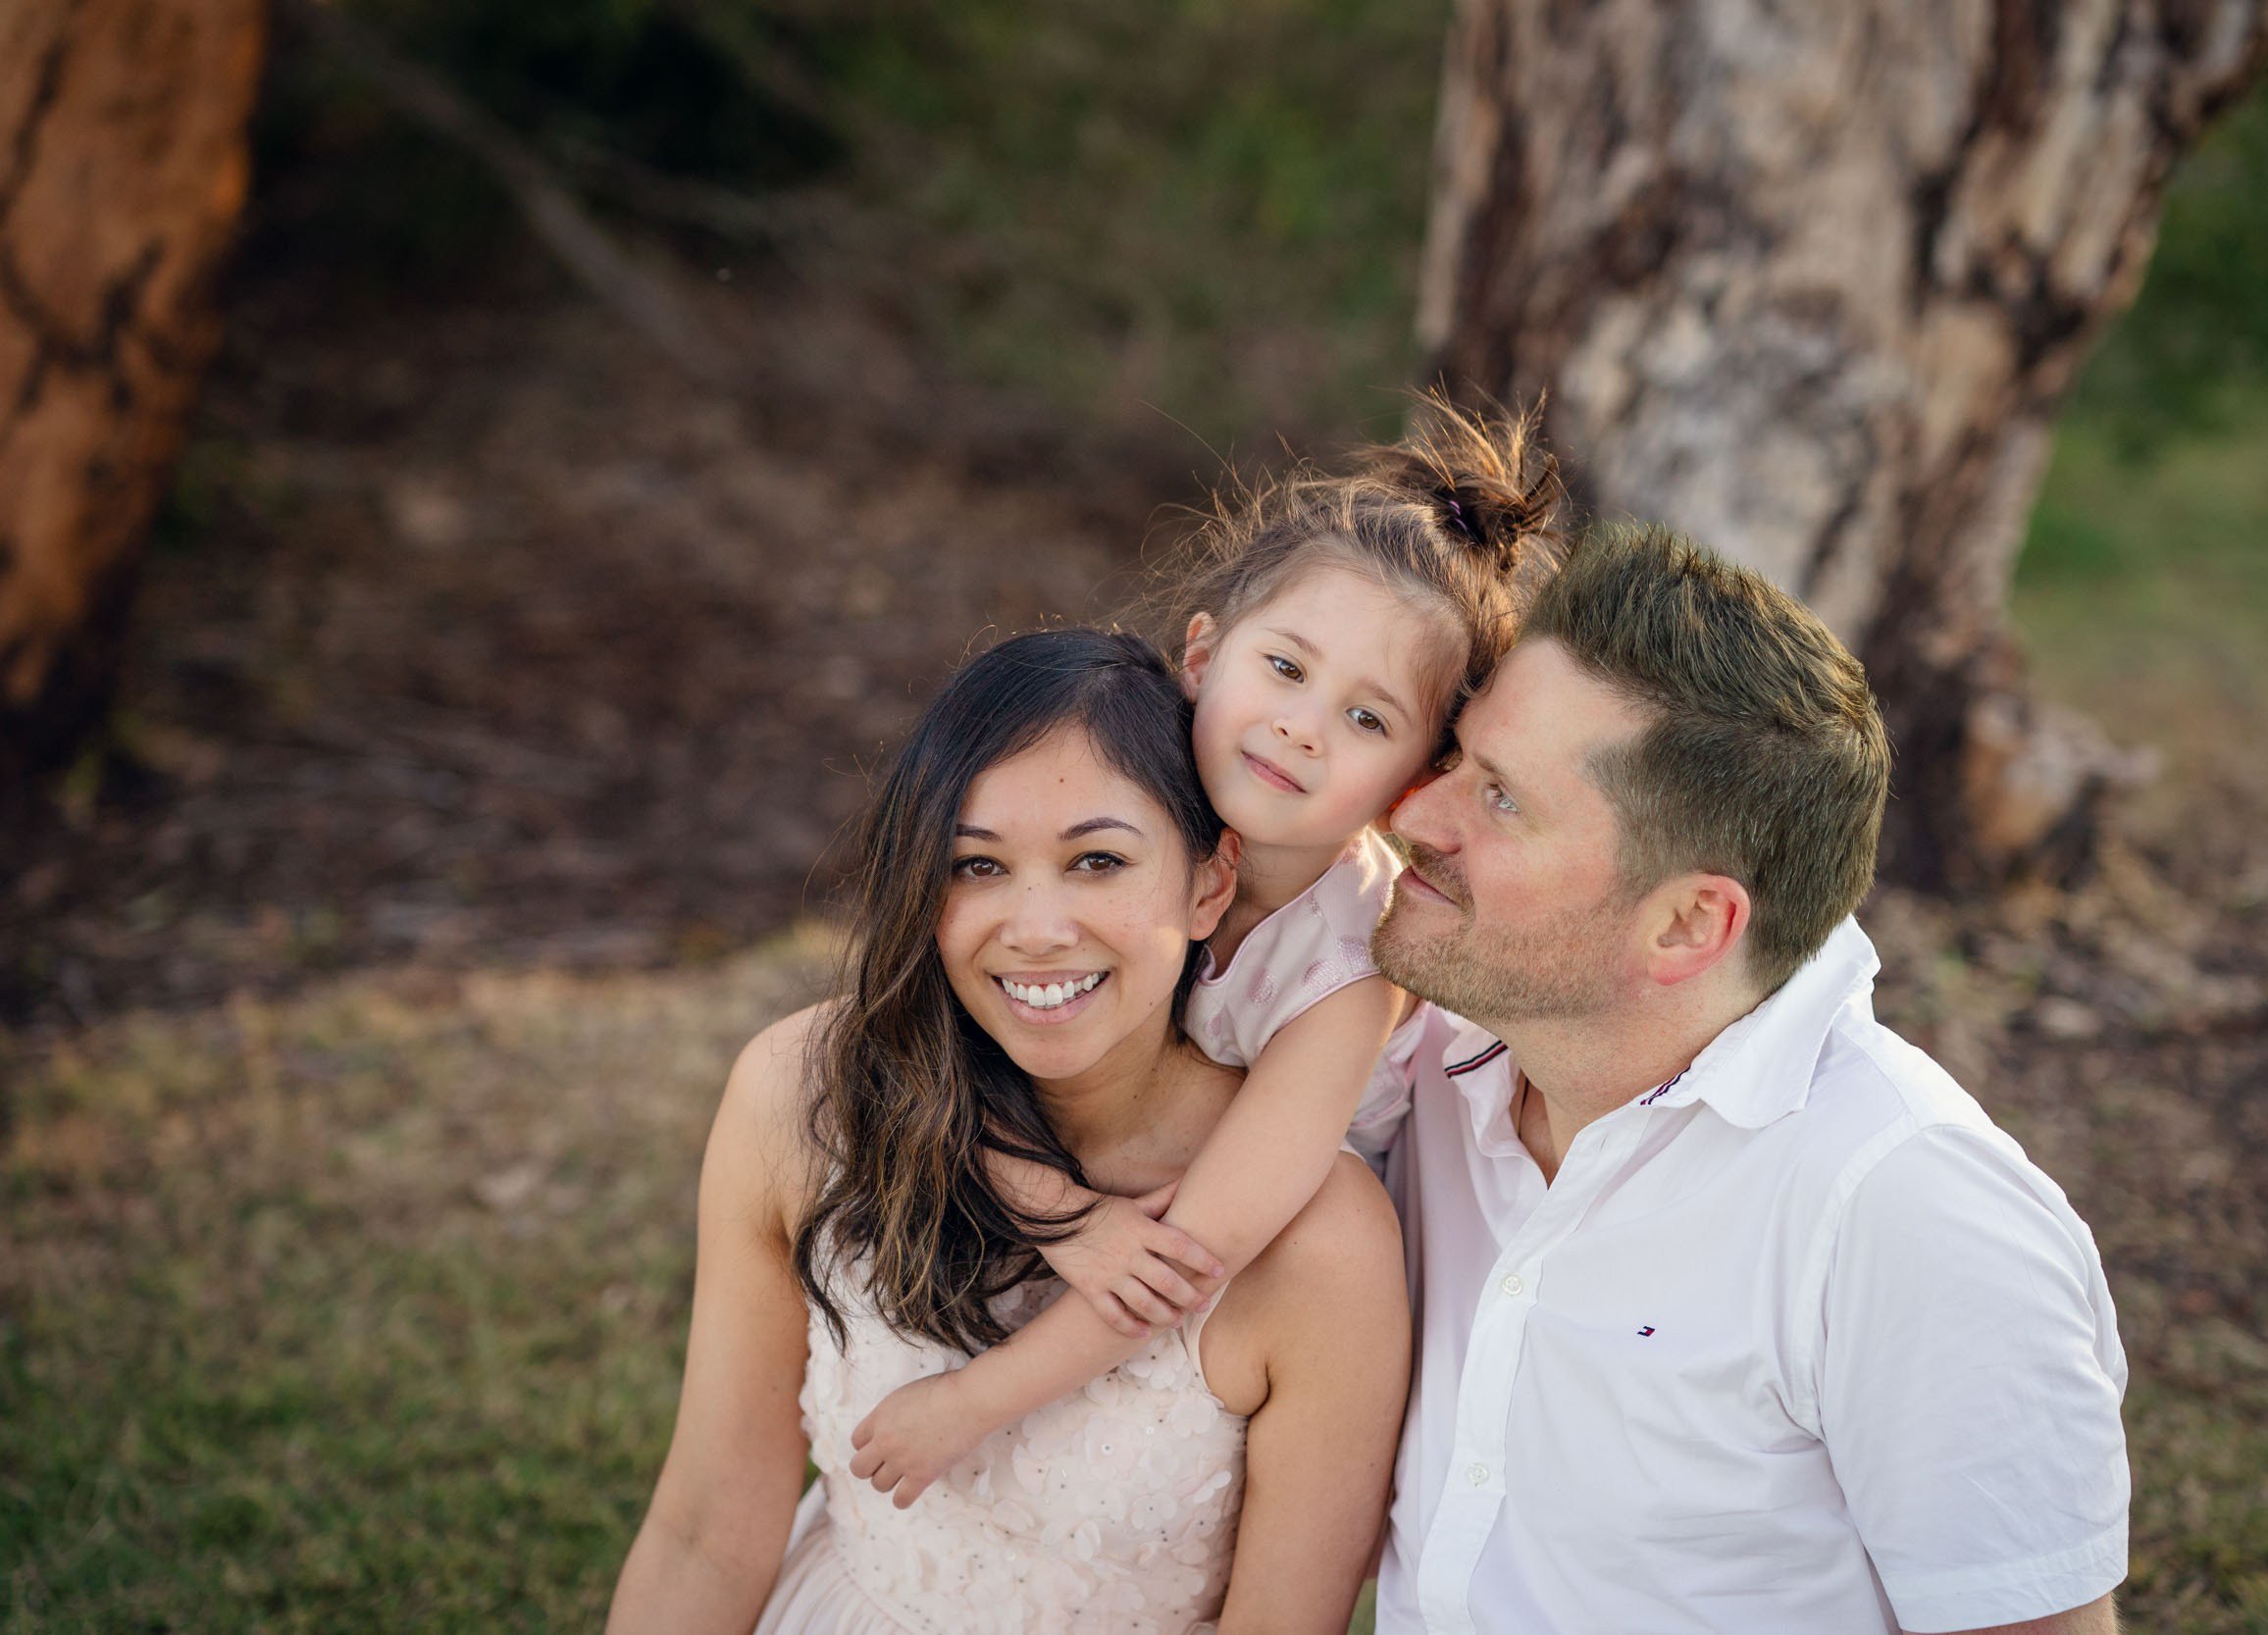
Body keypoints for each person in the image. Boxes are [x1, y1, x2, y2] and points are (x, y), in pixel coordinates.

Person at [1368, 522, 2132, 1634]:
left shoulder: (1909, 1215)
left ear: (1689, 924)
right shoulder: (1423, 1057)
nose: (1408, 815)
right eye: (1456, 759)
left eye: (1500, 799)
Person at [606, 631, 1410, 1634]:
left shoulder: (1319, 1244)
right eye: (977, 863)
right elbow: (704, 1532)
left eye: (1098, 860)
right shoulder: (801, 1097)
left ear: (1209, 885)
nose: (1034, 928)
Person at [844, 398, 1564, 1505]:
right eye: (1284, 666)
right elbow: (927, 1039)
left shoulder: (1355, 964)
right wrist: (1060, 1212)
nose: (1301, 726)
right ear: (1200, 654)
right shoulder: (1116, 794)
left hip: (1277, 1277)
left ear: (1416, 780)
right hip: (1103, 1193)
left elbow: (1194, 1252)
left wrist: (972, 1402)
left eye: (1367, 719)